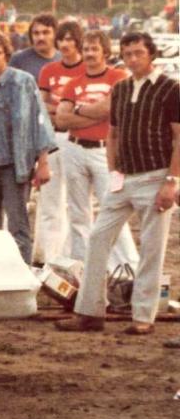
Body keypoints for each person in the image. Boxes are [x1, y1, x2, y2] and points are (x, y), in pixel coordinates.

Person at [57, 33, 180, 335]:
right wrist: (113, 171)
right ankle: (90, 311)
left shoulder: (170, 89)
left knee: (151, 248)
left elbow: (178, 137)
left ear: (151, 54)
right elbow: (113, 134)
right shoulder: (121, 88)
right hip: (124, 177)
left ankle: (143, 316)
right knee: (98, 238)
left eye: (138, 53)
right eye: (127, 54)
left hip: (155, 176)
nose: (133, 59)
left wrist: (171, 181)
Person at [53, 30, 137, 272]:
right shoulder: (74, 83)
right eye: (86, 49)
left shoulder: (118, 77)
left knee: (113, 208)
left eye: (94, 49)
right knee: (78, 212)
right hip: (74, 148)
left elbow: (109, 108)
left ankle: (127, 268)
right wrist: (94, 113)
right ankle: (83, 267)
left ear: (105, 52)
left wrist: (78, 110)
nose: (89, 54)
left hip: (104, 152)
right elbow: (61, 119)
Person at [0, 32, 57, 264]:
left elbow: (38, 121)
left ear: (6, 55)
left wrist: (43, 161)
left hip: (13, 159)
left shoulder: (23, 81)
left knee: (17, 221)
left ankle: (22, 271)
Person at [30, 20, 86, 263]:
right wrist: (64, 110)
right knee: (49, 201)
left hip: (78, 139)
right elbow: (40, 105)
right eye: (61, 39)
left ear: (78, 42)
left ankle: (73, 258)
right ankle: (47, 258)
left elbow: (88, 108)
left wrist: (67, 111)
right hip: (52, 138)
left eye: (70, 39)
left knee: (77, 204)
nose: (65, 44)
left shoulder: (87, 69)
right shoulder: (49, 70)